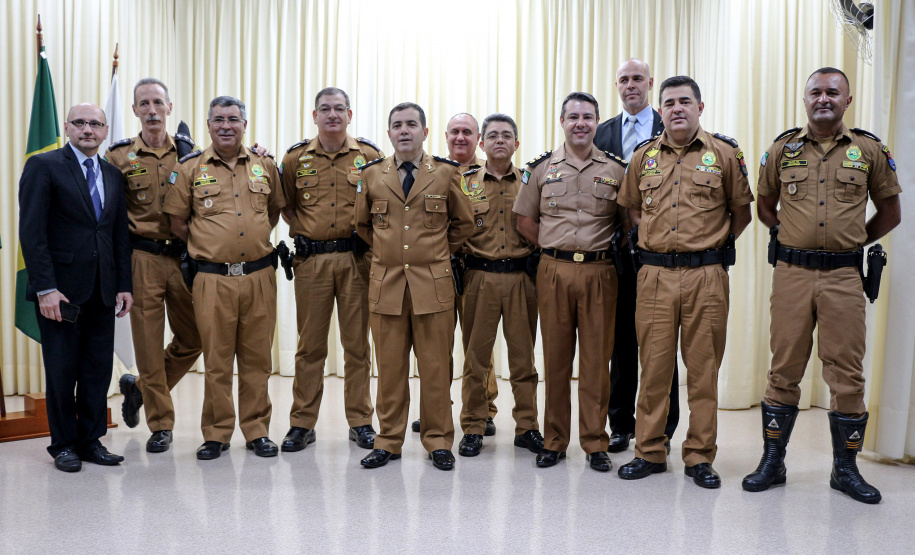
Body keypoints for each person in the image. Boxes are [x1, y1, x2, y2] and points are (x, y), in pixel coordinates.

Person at [742, 67, 901, 504]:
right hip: (792, 275)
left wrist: (851, 242)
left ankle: (844, 471)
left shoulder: (868, 150)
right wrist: (795, 238)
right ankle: (772, 464)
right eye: (816, 91)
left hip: (845, 277)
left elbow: (890, 212)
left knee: (847, 374)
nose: (824, 98)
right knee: (784, 369)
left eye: (833, 92)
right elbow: (765, 206)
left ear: (847, 100)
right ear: (805, 98)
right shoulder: (782, 149)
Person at [616, 76, 753, 488]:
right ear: (660, 111)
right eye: (670, 103)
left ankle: (699, 456)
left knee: (703, 370)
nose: (677, 108)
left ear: (700, 107)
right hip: (654, 275)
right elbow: (631, 211)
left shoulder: (725, 154)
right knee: (654, 367)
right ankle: (650, 451)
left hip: (706, 277)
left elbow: (741, 213)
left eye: (685, 102)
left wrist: (708, 248)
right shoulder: (643, 157)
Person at [163, 96, 285, 460]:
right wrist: (213, 247)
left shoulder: (265, 165)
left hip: (259, 275)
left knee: (257, 359)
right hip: (212, 279)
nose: (226, 125)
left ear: (244, 124)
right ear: (209, 125)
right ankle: (216, 433)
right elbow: (177, 222)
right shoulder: (189, 169)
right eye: (219, 120)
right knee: (216, 360)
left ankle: (257, 430)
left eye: (233, 119)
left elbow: (275, 212)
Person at [354, 102, 473, 470]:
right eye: (396, 125)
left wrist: (435, 253)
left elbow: (464, 223)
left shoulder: (445, 173)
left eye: (411, 124)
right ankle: (388, 441)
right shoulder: (372, 174)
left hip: (432, 286)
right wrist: (389, 254)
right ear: (388, 133)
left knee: (436, 369)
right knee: (390, 370)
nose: (404, 130)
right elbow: (362, 226)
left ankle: (438, 440)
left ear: (424, 132)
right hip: (387, 285)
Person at [514, 92, 627, 471]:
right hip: (553, 271)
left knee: (597, 361)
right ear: (561, 121)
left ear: (597, 122)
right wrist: (554, 246)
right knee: (557, 360)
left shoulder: (616, 170)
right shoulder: (541, 168)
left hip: (600, 273)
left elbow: (626, 225)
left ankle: (595, 442)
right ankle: (555, 440)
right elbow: (525, 221)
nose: (581, 123)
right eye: (574, 116)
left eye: (588, 117)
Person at [19, 103, 133, 472]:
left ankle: (91, 440)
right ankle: (64, 444)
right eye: (80, 123)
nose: (88, 129)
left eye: (95, 124)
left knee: (97, 370)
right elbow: (32, 233)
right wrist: (45, 288)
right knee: (62, 370)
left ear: (104, 131)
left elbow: (118, 236)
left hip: (103, 292)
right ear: (67, 127)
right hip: (61, 293)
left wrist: (123, 285)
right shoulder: (44, 166)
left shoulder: (113, 175)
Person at [278, 87, 383, 452]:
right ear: (315, 115)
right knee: (310, 348)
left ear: (350, 115)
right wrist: (312, 236)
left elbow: (380, 205)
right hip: (313, 262)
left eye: (339, 109)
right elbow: (286, 206)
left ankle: (360, 421)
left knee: (357, 346)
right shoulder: (295, 159)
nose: (332, 115)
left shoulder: (369, 155)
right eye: (325, 109)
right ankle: (301, 423)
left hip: (357, 260)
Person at [105, 78, 203, 453]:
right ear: (134, 111)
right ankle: (161, 424)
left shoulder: (191, 155)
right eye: (143, 103)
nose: (151, 110)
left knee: (193, 338)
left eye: (157, 102)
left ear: (169, 107)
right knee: (147, 346)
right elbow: (108, 216)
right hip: (141, 259)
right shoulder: (119, 157)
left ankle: (140, 388)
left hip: (182, 259)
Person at [593, 58, 679, 453]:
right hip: (614, 254)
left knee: (661, 342)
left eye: (637, 79)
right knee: (621, 341)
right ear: (617, 85)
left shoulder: (671, 127)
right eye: (623, 79)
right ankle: (621, 425)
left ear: (649, 84)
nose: (631, 85)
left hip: (662, 253)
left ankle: (664, 423)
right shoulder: (600, 133)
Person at [457, 113, 543, 457]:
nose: (500, 141)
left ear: (516, 144)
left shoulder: (530, 180)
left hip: (522, 278)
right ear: (482, 143)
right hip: (479, 277)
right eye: (492, 135)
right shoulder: (464, 182)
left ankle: (527, 426)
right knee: (476, 358)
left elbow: (543, 224)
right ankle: (474, 426)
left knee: (523, 358)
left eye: (507, 135)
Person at [412, 112, 499, 437]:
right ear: (445, 137)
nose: (460, 137)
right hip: (437, 271)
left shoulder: (490, 173)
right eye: (455, 132)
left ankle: (483, 408)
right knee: (436, 345)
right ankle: (438, 409)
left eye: (467, 132)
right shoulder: (430, 173)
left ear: (478, 138)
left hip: (477, 269)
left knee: (479, 344)